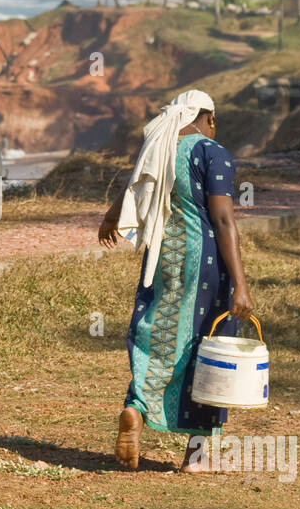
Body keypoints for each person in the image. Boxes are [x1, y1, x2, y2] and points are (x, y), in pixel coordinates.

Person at [97, 89, 254, 472]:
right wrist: (240, 282)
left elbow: (138, 186)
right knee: (210, 348)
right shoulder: (211, 153)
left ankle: (136, 408)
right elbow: (223, 220)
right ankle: (196, 457)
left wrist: (109, 216)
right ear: (209, 118)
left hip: (162, 258)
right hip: (204, 263)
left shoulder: (160, 143)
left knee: (157, 334)